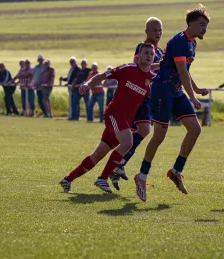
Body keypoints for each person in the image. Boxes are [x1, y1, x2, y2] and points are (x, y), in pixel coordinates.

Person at [134, 4, 210, 202]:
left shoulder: (192, 42)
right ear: (191, 25)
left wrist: (197, 88)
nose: (205, 29)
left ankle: (176, 170)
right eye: (202, 25)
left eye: (206, 26)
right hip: (162, 91)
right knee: (159, 136)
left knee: (195, 129)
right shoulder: (179, 41)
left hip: (175, 91)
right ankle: (141, 176)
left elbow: (186, 71)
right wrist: (193, 97)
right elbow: (182, 72)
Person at [59, 44, 156, 194]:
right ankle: (102, 178)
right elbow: (103, 75)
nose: (149, 56)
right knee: (128, 142)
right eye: (146, 53)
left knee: (98, 154)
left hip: (125, 121)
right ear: (139, 56)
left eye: (152, 53)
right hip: (114, 114)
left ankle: (67, 179)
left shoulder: (151, 79)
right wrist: (87, 83)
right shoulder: (127, 69)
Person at [111, 16, 163, 190]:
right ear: (147, 31)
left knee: (139, 132)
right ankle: (118, 163)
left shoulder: (160, 51)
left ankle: (117, 165)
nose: (158, 33)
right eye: (155, 30)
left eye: (160, 30)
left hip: (149, 97)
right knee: (143, 130)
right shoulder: (142, 48)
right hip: (139, 95)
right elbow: (137, 67)